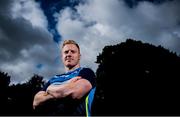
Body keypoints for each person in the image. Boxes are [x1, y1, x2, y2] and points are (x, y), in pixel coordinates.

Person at [33, 40, 96, 116]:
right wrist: (66, 87)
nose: (69, 54)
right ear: (62, 56)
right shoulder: (54, 78)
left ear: (79, 56)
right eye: (66, 52)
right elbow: (36, 102)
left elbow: (74, 93)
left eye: (73, 52)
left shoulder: (86, 72)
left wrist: (50, 89)